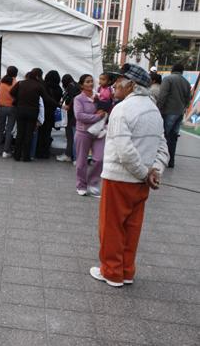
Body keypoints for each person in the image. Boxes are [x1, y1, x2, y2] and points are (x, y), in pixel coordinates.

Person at [90, 64, 168, 287]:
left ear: (132, 85)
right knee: (132, 227)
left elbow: (124, 150)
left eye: (120, 80)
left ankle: (111, 272)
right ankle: (126, 271)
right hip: (142, 182)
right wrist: (154, 172)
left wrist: (145, 173)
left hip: (120, 178)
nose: (115, 84)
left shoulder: (122, 109)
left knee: (112, 226)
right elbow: (163, 146)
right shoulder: (154, 111)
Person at [10, 69, 53, 161]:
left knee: (20, 133)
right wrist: (58, 104)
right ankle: (26, 157)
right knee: (29, 134)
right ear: (37, 76)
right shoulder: (39, 86)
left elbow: (11, 92)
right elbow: (46, 98)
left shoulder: (20, 83)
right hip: (32, 112)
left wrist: (19, 98)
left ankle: (17, 155)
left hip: (20, 111)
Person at [73, 74, 106, 197]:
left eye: (92, 81)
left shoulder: (98, 96)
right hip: (83, 132)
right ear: (82, 85)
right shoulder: (78, 99)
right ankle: (81, 185)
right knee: (81, 161)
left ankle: (92, 183)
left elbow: (106, 108)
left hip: (99, 132)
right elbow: (79, 116)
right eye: (87, 82)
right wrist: (97, 116)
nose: (91, 84)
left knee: (99, 159)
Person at [157, 63, 192, 168]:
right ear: (182, 71)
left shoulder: (168, 79)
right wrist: (183, 108)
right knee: (173, 137)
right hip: (179, 113)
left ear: (172, 69)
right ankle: (171, 160)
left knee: (163, 136)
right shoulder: (186, 82)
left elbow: (162, 95)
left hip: (168, 112)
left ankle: (160, 160)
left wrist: (158, 108)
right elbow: (188, 99)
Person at [0, 65, 18, 158]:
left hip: (1, 107)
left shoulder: (1, 81)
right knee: (9, 129)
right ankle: (5, 151)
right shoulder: (16, 83)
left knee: (0, 128)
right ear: (16, 73)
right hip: (12, 108)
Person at [36, 70, 62, 159]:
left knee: (40, 132)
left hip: (43, 112)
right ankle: (45, 152)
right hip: (52, 113)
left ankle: (38, 151)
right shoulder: (59, 89)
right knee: (47, 133)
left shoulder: (44, 86)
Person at [57, 74, 81, 163]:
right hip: (75, 115)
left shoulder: (71, 87)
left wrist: (67, 105)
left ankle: (70, 155)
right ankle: (72, 155)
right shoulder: (77, 85)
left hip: (71, 115)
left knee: (70, 136)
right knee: (73, 136)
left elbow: (72, 98)